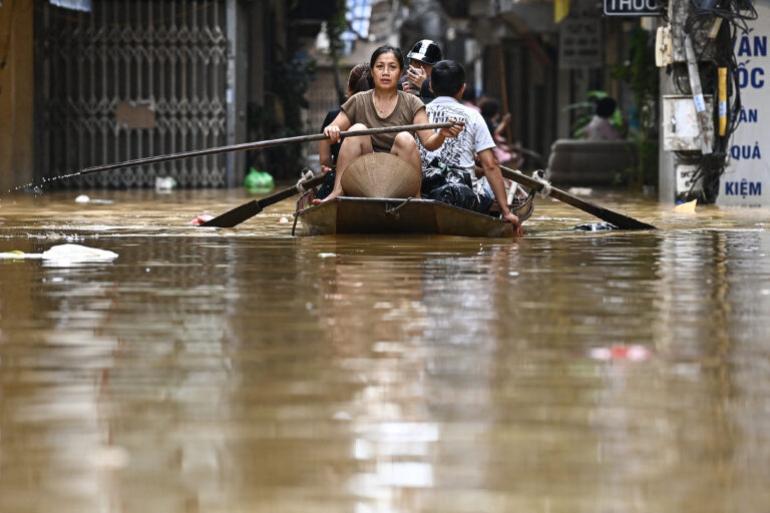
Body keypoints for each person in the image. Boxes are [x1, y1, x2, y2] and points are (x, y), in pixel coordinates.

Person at [315, 45, 463, 204]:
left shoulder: (413, 102)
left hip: (398, 174)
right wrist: (332, 130)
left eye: (392, 67)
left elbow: (429, 143)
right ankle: (338, 191)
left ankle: (416, 197)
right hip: (366, 173)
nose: (385, 72)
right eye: (380, 67)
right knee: (357, 130)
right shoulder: (358, 100)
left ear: (400, 73)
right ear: (372, 72)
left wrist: (441, 134)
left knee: (405, 138)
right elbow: (328, 135)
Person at [418, 60, 523, 234]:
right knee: (491, 184)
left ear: (430, 86)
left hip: (425, 190)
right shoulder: (473, 116)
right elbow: (490, 165)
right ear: (462, 88)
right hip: (463, 197)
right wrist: (506, 212)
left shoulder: (419, 113)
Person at [316, 63, 372, 199]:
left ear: (349, 88)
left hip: (338, 180)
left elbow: (324, 159)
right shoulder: (381, 116)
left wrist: (334, 166)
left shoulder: (333, 117)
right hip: (373, 183)